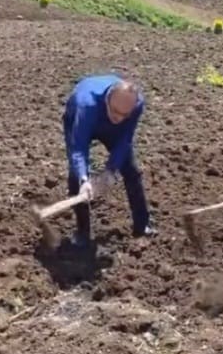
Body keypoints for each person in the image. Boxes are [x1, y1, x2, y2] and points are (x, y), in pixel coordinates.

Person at [62, 74, 155, 248]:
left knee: (131, 171)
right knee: (76, 175)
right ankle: (83, 232)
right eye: (115, 111)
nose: (118, 118)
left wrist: (111, 171)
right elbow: (79, 148)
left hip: (113, 130)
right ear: (108, 99)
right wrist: (84, 179)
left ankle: (142, 225)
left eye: (124, 115)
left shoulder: (135, 106)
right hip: (81, 119)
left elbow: (125, 139)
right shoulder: (86, 105)